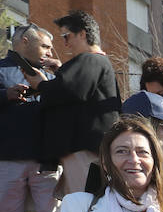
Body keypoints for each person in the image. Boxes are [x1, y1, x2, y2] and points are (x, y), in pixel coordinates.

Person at [25, 10, 119, 200]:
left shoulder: (91, 59)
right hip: (90, 149)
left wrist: (41, 84)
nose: (65, 43)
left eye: (67, 36)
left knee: (81, 205)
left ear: (82, 34)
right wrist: (61, 71)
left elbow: (69, 90)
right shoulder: (97, 61)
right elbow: (78, 90)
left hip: (83, 151)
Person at [0, 23, 60, 212]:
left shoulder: (55, 76)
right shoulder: (1, 69)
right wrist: (5, 95)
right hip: (7, 157)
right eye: (45, 45)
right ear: (25, 41)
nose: (49, 51)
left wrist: (58, 77)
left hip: (47, 158)